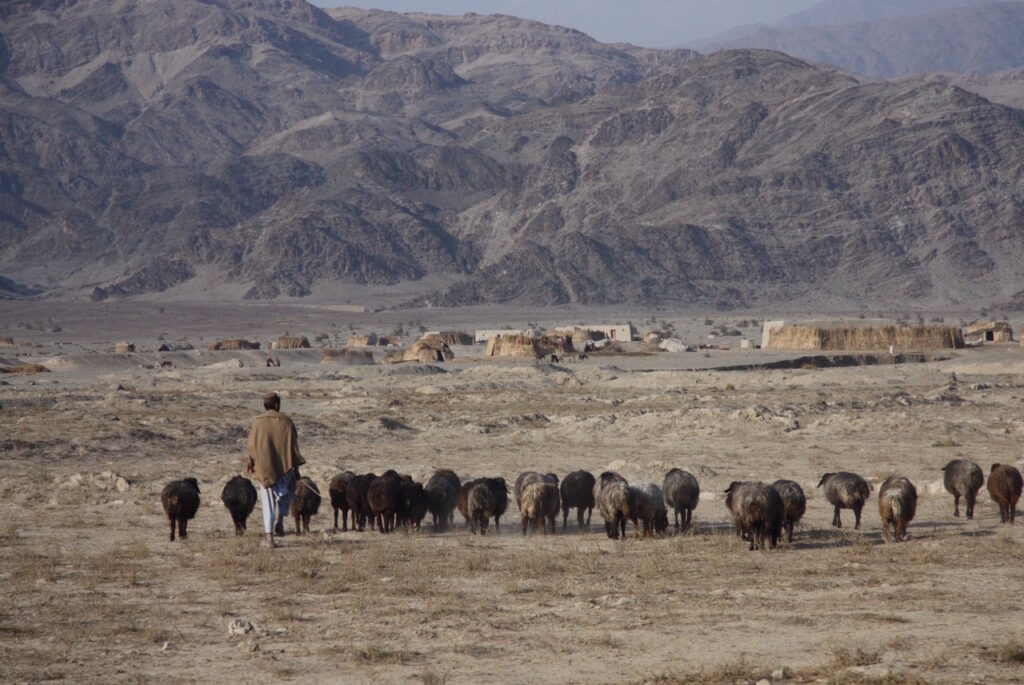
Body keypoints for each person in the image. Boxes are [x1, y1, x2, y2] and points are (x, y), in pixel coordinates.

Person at [246, 392, 305, 547]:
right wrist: (295, 468)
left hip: (264, 470)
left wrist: (252, 463)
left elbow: (251, 447)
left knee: (268, 501)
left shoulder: (257, 423)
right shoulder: (287, 421)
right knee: (288, 491)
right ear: (277, 405)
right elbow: (293, 447)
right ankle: (280, 520)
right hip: (285, 469)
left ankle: (269, 537)